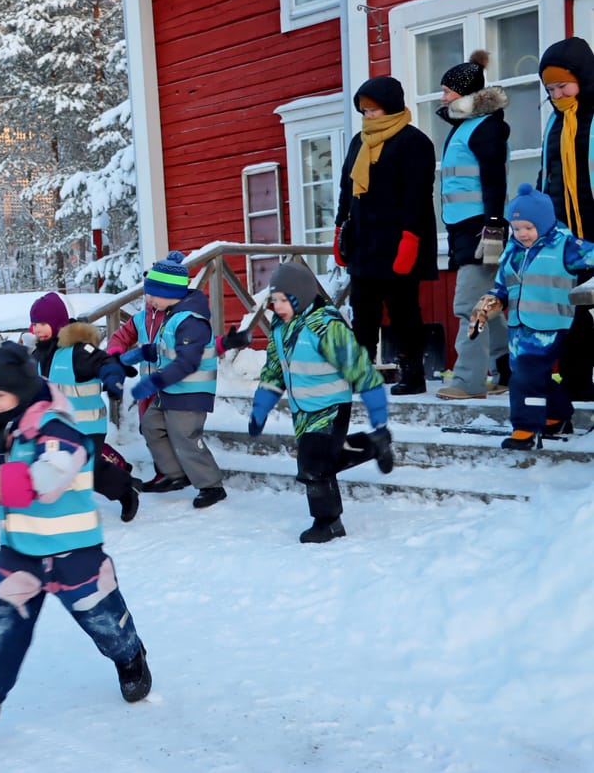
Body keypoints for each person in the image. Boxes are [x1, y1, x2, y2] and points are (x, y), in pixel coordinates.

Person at [0, 342, 150, 731]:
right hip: (19, 550)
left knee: (102, 617)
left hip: (74, 551)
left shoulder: (58, 428)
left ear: (20, 390)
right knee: (0, 619)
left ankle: (130, 657)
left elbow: (49, 479)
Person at [247, 262, 394, 543]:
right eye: (273, 300)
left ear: (299, 295)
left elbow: (360, 367)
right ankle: (374, 444)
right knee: (327, 458)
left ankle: (328, 522)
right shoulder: (281, 327)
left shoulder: (325, 325)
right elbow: (274, 370)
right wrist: (260, 407)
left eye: (281, 299)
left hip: (331, 405)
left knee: (313, 463)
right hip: (303, 409)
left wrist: (377, 407)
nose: (276, 306)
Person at [335, 75, 438, 395]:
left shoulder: (414, 142)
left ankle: (412, 373)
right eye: (364, 111)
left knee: (403, 309)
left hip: (399, 241)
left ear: (391, 107)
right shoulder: (358, 142)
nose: (368, 116)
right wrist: (339, 228)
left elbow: (418, 196)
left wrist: (411, 239)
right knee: (362, 310)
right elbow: (346, 190)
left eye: (374, 110)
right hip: (364, 241)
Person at [472, 184, 594, 450]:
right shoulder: (512, 252)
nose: (522, 234)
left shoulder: (566, 245)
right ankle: (557, 415)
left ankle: (526, 429)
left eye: (529, 227)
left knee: (525, 376)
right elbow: (502, 287)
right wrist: (488, 304)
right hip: (519, 325)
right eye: (517, 229)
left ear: (545, 222)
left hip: (550, 324)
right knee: (529, 374)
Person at [115, 252, 228, 509]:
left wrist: (154, 382)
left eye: (153, 294)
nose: (149, 299)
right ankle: (174, 474)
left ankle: (211, 485)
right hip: (170, 389)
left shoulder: (191, 321)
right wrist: (144, 353)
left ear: (171, 292)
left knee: (185, 436)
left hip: (190, 391)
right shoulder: (171, 315)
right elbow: (168, 350)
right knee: (151, 426)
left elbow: (187, 362)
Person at [434, 51, 512, 400]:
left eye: (448, 91)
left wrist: (494, 228)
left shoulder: (486, 129)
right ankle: (508, 371)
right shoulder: (464, 129)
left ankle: (468, 380)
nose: (443, 97)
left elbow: (494, 183)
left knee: (470, 306)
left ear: (465, 94)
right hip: (462, 229)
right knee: (487, 306)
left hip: (482, 228)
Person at [27, 292, 139, 522]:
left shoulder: (78, 352)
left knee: (86, 471)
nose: (37, 329)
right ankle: (60, 509)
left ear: (57, 322)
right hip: (57, 427)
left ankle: (126, 491)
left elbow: (104, 362)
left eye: (43, 323)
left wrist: (112, 377)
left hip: (87, 426)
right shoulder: (39, 354)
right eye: (34, 324)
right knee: (58, 468)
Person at [537, 36, 594, 407]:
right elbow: (548, 175)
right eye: (550, 88)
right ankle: (576, 381)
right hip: (565, 234)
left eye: (563, 85)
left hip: (592, 222)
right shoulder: (555, 124)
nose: (557, 94)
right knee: (571, 307)